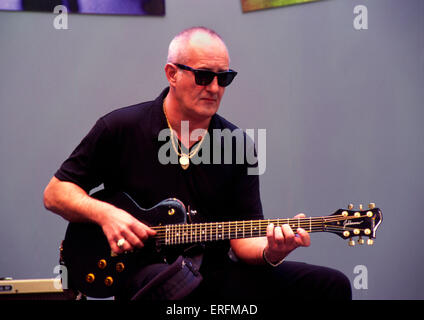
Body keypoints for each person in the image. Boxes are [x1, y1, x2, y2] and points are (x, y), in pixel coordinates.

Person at [43, 26, 351, 300]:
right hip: (142, 275)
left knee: (330, 285)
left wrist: (273, 251)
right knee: (179, 289)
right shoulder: (120, 128)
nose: (215, 88)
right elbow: (55, 194)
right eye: (204, 76)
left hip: (211, 274)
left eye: (224, 78)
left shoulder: (237, 145)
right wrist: (107, 214)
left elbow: (244, 244)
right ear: (172, 73)